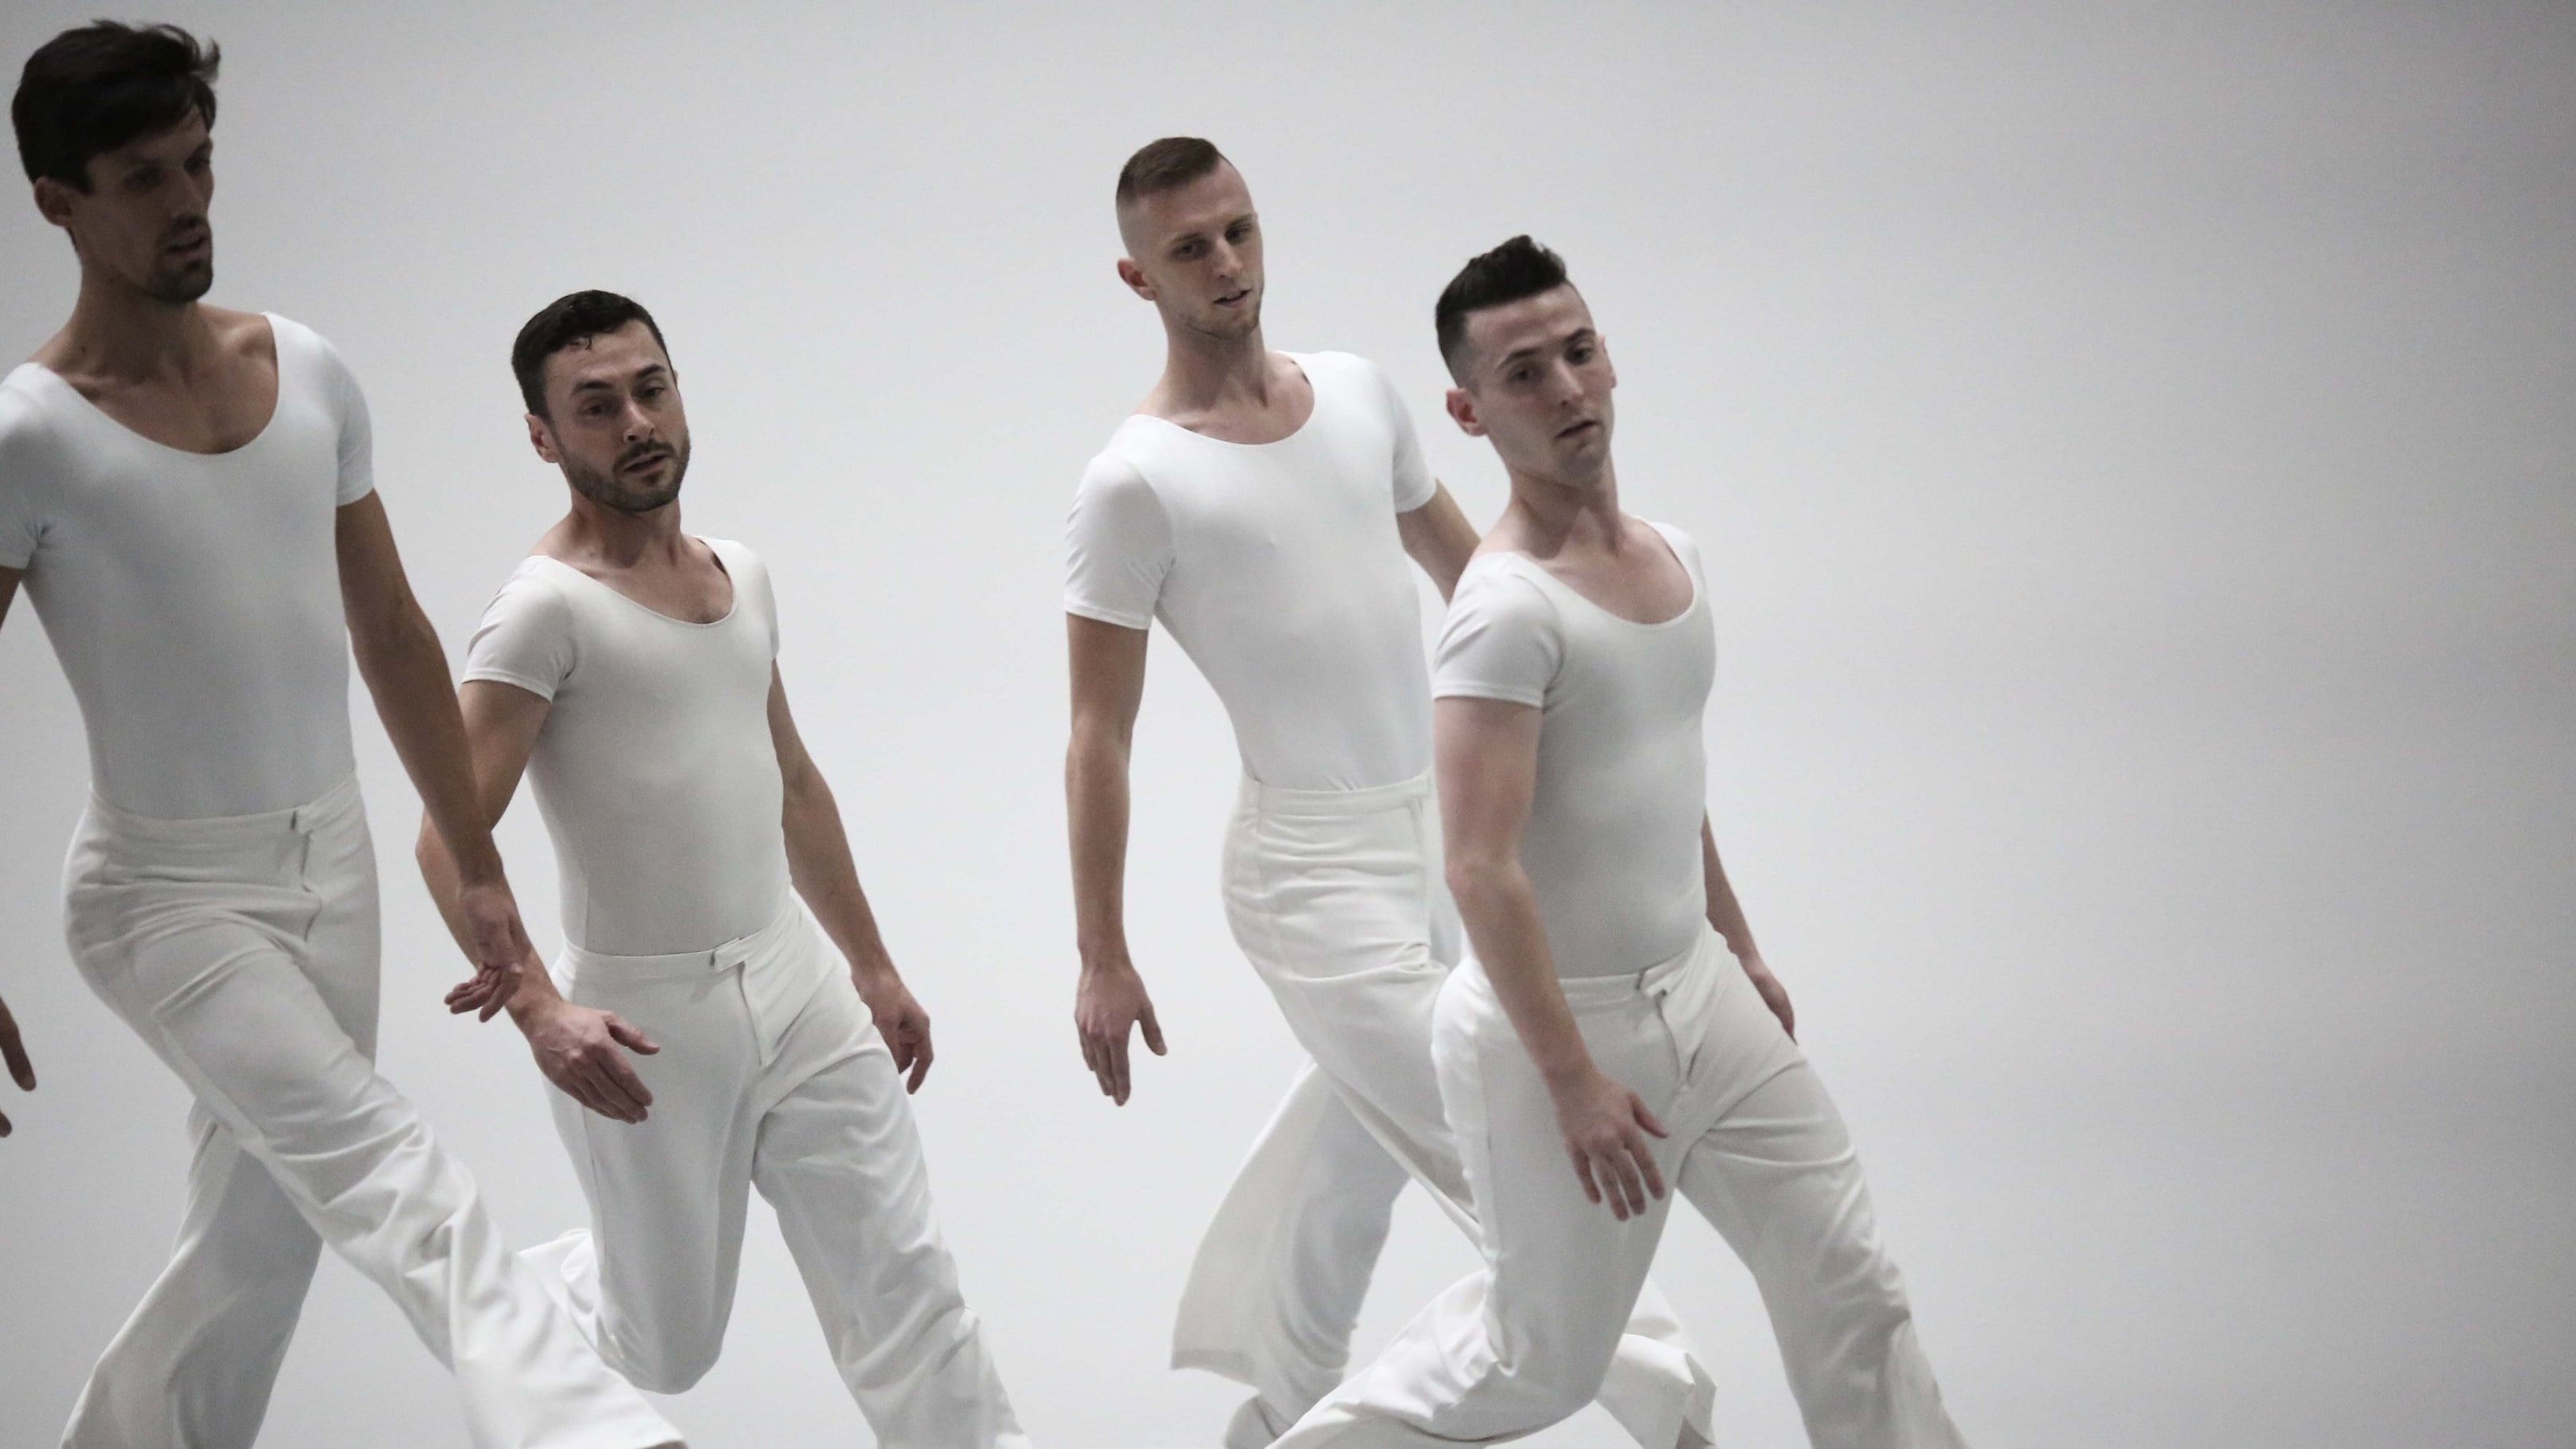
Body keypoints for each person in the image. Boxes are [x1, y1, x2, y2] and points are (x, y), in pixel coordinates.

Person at [0, 24, 680, 1449]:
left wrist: (480, 870)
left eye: (198, 162)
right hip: (163, 899)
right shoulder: (33, 436)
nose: (187, 203)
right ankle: (595, 1433)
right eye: (141, 178)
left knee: (260, 1245)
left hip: (335, 867)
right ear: (57, 200)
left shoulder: (303, 368)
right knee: (386, 1171)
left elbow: (393, 631)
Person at [1063, 138, 1716, 1449]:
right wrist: (1102, 953)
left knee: (1355, 1148)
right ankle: (1673, 1404)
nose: (1228, 264)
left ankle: (1286, 1405)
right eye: (1191, 247)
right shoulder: (1135, 479)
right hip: (1307, 875)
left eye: (1239, 230)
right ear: (1137, 275)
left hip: (1445, 838)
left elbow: (1488, 584)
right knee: (1516, 1149)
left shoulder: (1360, 394)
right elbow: (1097, 733)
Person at [1271, 237, 1968, 1448]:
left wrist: (1737, 950)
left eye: (1577, 353)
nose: (1566, 391)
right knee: (1532, 1364)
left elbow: (1657, 787)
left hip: (1705, 1003)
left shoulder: (1676, 558)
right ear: (1469, 412)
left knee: (1851, 1287)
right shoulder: (1502, 611)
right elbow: (1479, 867)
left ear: (1608, 355)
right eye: (1524, 374)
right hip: (1559, 1036)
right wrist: (1571, 1083)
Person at [417, 290, 1029, 1447]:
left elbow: (789, 781)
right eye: (595, 407)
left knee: (905, 1289)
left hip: (799, 992)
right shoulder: (539, 615)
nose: (637, 420)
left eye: (652, 388)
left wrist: (874, 967)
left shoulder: (739, 574)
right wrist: (543, 1013)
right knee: (668, 1348)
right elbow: (446, 838)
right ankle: (501, 1291)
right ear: (544, 439)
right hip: (647, 1026)